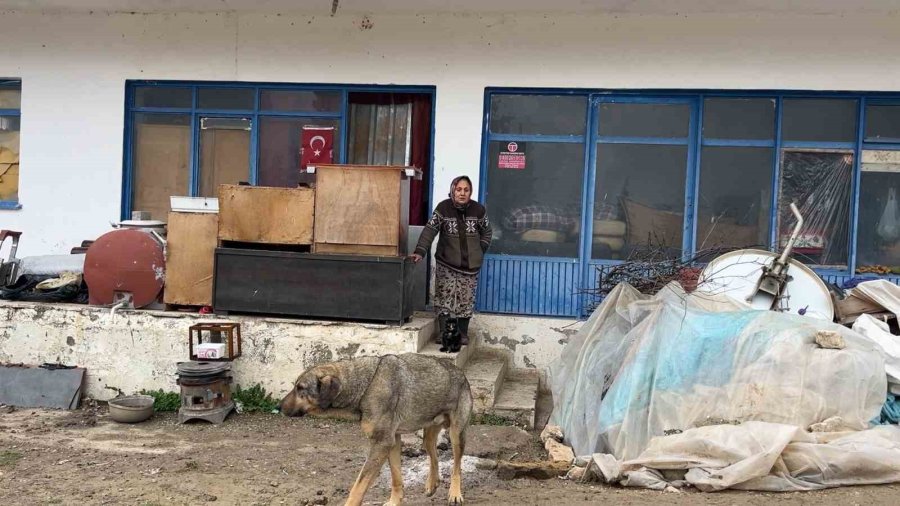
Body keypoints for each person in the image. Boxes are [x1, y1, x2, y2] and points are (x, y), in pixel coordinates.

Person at [411, 176, 492, 346]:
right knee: (444, 298)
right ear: (453, 190)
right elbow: (430, 230)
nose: (462, 193)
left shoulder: (478, 210)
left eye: (466, 190)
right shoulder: (443, 208)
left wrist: (480, 249)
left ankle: (462, 334)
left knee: (466, 299)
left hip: (470, 266)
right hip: (446, 263)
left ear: (470, 192)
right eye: (458, 189)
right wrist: (420, 251)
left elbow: (487, 232)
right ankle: (444, 333)